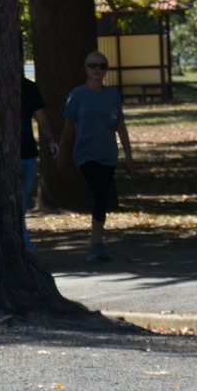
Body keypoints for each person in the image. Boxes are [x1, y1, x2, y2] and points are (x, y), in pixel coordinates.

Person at [57, 50, 132, 262]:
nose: (97, 69)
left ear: (106, 69)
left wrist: (128, 156)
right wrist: (62, 154)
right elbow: (68, 128)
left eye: (102, 65)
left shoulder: (112, 95)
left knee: (102, 197)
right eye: (93, 65)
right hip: (85, 154)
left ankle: (97, 243)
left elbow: (120, 126)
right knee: (99, 191)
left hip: (108, 154)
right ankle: (95, 244)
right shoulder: (77, 95)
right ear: (86, 68)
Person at [18, 74, 56, 250]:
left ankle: (22, 246)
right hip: (3, 156)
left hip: (26, 154)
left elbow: (41, 117)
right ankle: (24, 246)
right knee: (15, 205)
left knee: (22, 203)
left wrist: (50, 140)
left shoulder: (28, 87)